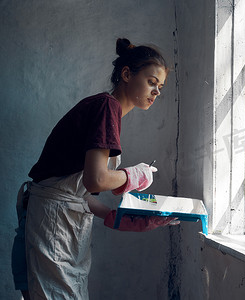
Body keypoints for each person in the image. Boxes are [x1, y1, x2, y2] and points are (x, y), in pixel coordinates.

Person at [11, 38, 179, 300]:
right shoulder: (106, 107)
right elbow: (96, 180)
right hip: (54, 222)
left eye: (161, 87)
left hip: (52, 215)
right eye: (151, 82)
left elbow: (75, 191)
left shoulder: (105, 109)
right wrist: (134, 175)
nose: (157, 92)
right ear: (126, 74)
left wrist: (119, 219)